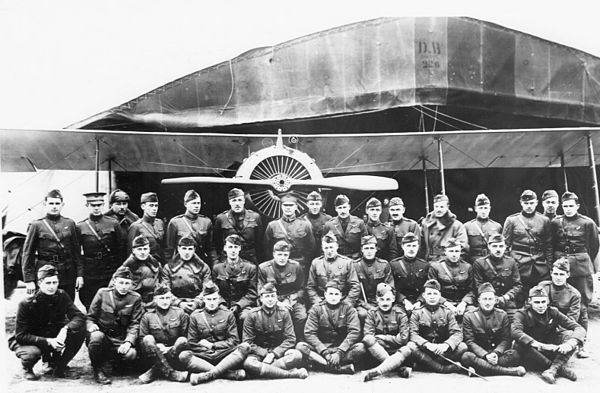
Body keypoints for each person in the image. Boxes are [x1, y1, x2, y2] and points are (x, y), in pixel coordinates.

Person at [9, 265, 86, 380]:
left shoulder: (61, 295)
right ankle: (27, 368)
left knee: (79, 330)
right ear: (39, 283)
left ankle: (60, 366)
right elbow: (21, 335)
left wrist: (65, 329)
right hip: (31, 338)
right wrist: (49, 342)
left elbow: (79, 316)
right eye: (48, 283)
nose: (52, 287)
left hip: (53, 334)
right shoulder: (27, 303)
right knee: (31, 354)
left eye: (55, 283)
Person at [550, 191, 599, 358]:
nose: (568, 209)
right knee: (560, 302)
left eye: (571, 206)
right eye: (565, 206)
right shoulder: (556, 222)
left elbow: (593, 246)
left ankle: (581, 343)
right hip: (560, 263)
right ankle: (562, 339)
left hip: (580, 266)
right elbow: (553, 243)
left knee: (582, 305)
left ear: (577, 206)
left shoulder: (587, 223)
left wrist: (582, 261)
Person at [178, 281, 249, 384]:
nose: (212, 302)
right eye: (209, 299)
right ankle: (227, 373)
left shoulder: (228, 314)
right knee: (184, 355)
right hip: (203, 355)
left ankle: (207, 375)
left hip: (223, 354)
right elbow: (192, 342)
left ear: (219, 299)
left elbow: (234, 341)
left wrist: (213, 345)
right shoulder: (195, 316)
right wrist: (205, 349)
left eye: (214, 299)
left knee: (245, 347)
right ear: (204, 300)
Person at [512, 286, 585, 384]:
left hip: (551, 348)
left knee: (571, 336)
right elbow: (515, 331)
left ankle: (552, 370)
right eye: (537, 302)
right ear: (530, 301)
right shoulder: (521, 314)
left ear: (547, 301)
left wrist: (570, 344)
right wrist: (541, 345)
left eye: (543, 302)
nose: (541, 306)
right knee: (520, 344)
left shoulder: (552, 311)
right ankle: (558, 368)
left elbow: (579, 328)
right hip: (533, 352)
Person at [22, 189, 83, 300]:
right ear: (45, 204)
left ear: (62, 205)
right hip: (45, 273)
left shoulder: (69, 223)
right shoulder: (36, 225)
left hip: (67, 272)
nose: (54, 206)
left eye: (57, 203)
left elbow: (76, 251)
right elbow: (27, 254)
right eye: (51, 203)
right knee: (45, 306)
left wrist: (79, 274)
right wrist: (29, 279)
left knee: (67, 304)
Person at [86, 266, 143, 384]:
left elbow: (134, 324)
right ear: (114, 281)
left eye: (127, 283)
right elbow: (90, 317)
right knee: (96, 337)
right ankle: (98, 370)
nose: (124, 286)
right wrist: (91, 326)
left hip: (120, 338)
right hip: (103, 337)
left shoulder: (135, 298)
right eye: (121, 282)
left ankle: (117, 363)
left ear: (132, 284)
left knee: (131, 354)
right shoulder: (102, 293)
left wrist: (128, 342)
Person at [242, 283, 308, 379]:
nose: (270, 299)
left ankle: (261, 371)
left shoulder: (284, 313)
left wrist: (273, 354)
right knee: (248, 363)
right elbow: (247, 342)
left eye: (273, 296)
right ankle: (291, 374)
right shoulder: (252, 315)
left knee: (296, 355)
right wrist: (264, 353)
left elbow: (290, 339)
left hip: (279, 353)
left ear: (276, 298)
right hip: (259, 354)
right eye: (267, 296)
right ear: (261, 299)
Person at [298, 280, 365, 374]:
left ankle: (323, 365)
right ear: (325, 294)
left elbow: (354, 332)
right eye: (330, 294)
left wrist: (339, 352)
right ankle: (337, 368)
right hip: (323, 347)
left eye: (336, 294)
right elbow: (309, 333)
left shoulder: (348, 308)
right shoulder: (316, 309)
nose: (333, 297)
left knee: (361, 348)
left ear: (341, 295)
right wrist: (324, 352)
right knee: (301, 346)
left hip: (342, 348)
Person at [460, 282, 526, 376]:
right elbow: (469, 341)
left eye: (490, 299)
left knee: (515, 355)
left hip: (496, 355)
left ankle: (480, 370)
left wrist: (496, 353)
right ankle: (510, 372)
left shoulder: (502, 315)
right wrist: (485, 355)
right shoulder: (469, 316)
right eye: (485, 299)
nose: (487, 302)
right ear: (479, 300)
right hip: (480, 354)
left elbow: (506, 339)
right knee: (466, 357)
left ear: (495, 300)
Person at [406, 279, 469, 375]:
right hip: (425, 350)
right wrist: (427, 344)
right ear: (424, 296)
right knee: (411, 346)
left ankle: (424, 366)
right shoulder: (417, 313)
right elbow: (413, 334)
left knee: (462, 347)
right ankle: (442, 368)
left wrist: (446, 345)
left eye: (435, 294)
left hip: (442, 351)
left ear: (440, 295)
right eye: (429, 294)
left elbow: (457, 333)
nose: (432, 297)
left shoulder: (447, 312)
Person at [77, 192, 125, 309]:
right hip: (90, 270)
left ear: (103, 205)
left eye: (99, 205)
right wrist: (80, 274)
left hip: (109, 268)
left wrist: (119, 271)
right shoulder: (80, 226)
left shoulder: (113, 223)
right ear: (87, 206)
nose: (96, 208)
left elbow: (120, 249)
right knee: (90, 300)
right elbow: (77, 254)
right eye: (93, 205)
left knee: (110, 300)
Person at [502, 189, 553, 299]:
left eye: (531, 203)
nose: (529, 206)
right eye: (526, 203)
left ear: (536, 203)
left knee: (540, 294)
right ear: (521, 203)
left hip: (539, 264)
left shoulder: (544, 220)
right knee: (520, 294)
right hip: (519, 263)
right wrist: (509, 264)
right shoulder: (512, 220)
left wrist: (549, 264)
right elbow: (505, 245)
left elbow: (548, 245)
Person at [137, 283, 189, 383]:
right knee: (148, 339)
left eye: (167, 298)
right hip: (154, 352)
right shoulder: (147, 316)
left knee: (182, 340)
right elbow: (142, 339)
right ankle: (171, 373)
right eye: (161, 298)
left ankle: (154, 371)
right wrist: (156, 347)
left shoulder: (180, 313)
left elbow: (185, 336)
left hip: (173, 350)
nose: (165, 301)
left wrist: (170, 348)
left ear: (171, 299)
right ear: (155, 299)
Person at [361, 283, 412, 382]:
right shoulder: (372, 313)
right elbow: (368, 335)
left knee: (408, 348)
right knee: (368, 339)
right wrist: (394, 339)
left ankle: (373, 372)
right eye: (381, 299)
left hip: (396, 350)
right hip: (378, 350)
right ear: (377, 299)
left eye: (388, 299)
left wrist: (384, 337)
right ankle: (398, 368)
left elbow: (403, 339)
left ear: (393, 299)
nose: (385, 303)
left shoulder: (400, 314)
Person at [258, 240, 306, 339]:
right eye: (279, 254)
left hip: (292, 301)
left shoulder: (296, 266)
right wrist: (278, 303)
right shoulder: (264, 268)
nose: (282, 258)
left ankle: (297, 339)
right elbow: (261, 291)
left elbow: (302, 288)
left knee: (301, 316)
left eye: (285, 255)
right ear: (274, 254)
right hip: (271, 301)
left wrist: (290, 300)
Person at [538, 259, 585, 353]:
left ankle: (581, 345)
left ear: (568, 275)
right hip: (541, 324)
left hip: (560, 328)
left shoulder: (574, 294)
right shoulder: (542, 287)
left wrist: (556, 329)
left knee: (571, 334)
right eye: (556, 274)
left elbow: (571, 319)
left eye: (562, 274)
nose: (558, 278)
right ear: (551, 273)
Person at [472, 234, 522, 320]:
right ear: (489, 246)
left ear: (505, 247)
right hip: (487, 303)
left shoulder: (511, 262)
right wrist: (491, 299)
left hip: (507, 303)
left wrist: (507, 297)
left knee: (515, 321)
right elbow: (478, 285)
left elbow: (518, 285)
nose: (498, 249)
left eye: (501, 246)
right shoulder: (480, 263)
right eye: (494, 246)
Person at [211, 235, 258, 325]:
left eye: (236, 247)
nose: (233, 250)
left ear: (239, 248)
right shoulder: (217, 268)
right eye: (230, 247)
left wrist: (238, 305)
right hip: (223, 305)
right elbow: (214, 291)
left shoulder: (250, 268)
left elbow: (252, 293)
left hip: (243, 306)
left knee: (245, 317)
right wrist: (221, 304)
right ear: (225, 248)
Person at [306, 232, 360, 307]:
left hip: (342, 301)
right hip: (322, 302)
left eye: (331, 247)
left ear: (337, 246)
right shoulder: (316, 263)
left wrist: (347, 303)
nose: (329, 251)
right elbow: (310, 287)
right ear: (322, 248)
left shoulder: (347, 262)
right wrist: (317, 303)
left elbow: (355, 286)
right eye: (326, 248)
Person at [264, 192, 316, 270]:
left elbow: (311, 248)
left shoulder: (305, 225)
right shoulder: (272, 225)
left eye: (291, 205)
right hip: (278, 267)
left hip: (300, 266)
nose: (288, 208)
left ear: (296, 207)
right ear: (281, 206)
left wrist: (304, 262)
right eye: (285, 205)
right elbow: (266, 248)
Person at [165, 189, 217, 265]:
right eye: (193, 203)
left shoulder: (206, 222)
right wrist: (169, 267)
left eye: (198, 203)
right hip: (181, 264)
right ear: (185, 204)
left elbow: (210, 248)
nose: (196, 206)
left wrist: (215, 263)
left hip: (200, 263)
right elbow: (169, 249)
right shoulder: (175, 223)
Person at [162, 235, 212, 314]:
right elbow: (165, 290)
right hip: (175, 306)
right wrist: (179, 303)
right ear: (178, 249)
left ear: (194, 250)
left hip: (198, 306)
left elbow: (207, 289)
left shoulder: (203, 267)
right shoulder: (168, 268)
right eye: (184, 248)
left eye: (190, 249)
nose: (187, 252)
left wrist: (197, 303)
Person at [427, 238, 476, 318]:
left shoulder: (467, 267)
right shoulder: (436, 267)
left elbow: (471, 290)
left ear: (460, 252)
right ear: (445, 252)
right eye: (451, 251)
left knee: (473, 315)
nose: (454, 254)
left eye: (457, 251)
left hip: (462, 303)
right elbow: (432, 290)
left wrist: (463, 303)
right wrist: (447, 304)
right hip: (443, 304)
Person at [214, 188, 264, 264]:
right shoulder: (221, 218)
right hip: (229, 260)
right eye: (234, 200)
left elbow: (260, 243)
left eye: (240, 200)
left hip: (250, 259)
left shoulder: (255, 217)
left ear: (244, 201)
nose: (237, 204)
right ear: (229, 202)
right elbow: (217, 243)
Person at [353, 235, 393, 322]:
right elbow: (353, 290)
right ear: (362, 250)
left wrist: (381, 303)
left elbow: (390, 287)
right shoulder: (355, 265)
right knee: (363, 314)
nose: (369, 251)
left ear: (376, 249)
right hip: (362, 304)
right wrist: (366, 306)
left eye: (371, 248)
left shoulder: (384, 264)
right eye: (366, 248)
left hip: (381, 302)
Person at [389, 233, 430, 312]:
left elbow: (427, 287)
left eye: (414, 246)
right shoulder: (394, 264)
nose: (411, 249)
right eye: (408, 246)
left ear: (418, 247)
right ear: (402, 247)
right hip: (400, 303)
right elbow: (392, 288)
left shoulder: (424, 265)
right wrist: (404, 301)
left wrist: (419, 301)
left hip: (420, 303)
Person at [420, 194, 468, 262]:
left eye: (442, 207)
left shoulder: (457, 226)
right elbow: (420, 245)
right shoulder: (425, 224)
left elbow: (463, 248)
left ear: (447, 207)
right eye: (436, 206)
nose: (438, 209)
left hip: (447, 263)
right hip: (429, 262)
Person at [121, 235, 163, 306]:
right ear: (133, 251)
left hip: (154, 302)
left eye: (145, 249)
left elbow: (162, 284)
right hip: (133, 303)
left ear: (149, 250)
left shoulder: (156, 264)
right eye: (139, 249)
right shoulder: (126, 268)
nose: (143, 252)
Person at [323, 194, 368, 259]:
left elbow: (365, 244)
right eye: (340, 208)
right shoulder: (329, 225)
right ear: (336, 209)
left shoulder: (359, 223)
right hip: (337, 260)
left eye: (344, 207)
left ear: (349, 207)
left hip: (355, 259)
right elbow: (324, 246)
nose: (342, 211)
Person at [128, 192, 166, 264]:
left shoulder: (160, 223)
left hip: (160, 266)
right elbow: (131, 253)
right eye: (151, 205)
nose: (154, 209)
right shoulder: (136, 226)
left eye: (156, 206)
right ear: (143, 206)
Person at [464, 194, 502, 263]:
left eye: (485, 208)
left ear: (489, 208)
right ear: (475, 209)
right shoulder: (467, 226)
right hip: (473, 262)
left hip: (491, 262)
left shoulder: (497, 226)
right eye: (481, 208)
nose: (483, 211)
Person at [299, 190, 332, 258]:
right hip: (306, 256)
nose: (314, 207)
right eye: (312, 204)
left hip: (323, 256)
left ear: (321, 204)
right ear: (307, 204)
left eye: (317, 204)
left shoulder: (328, 219)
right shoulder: (301, 220)